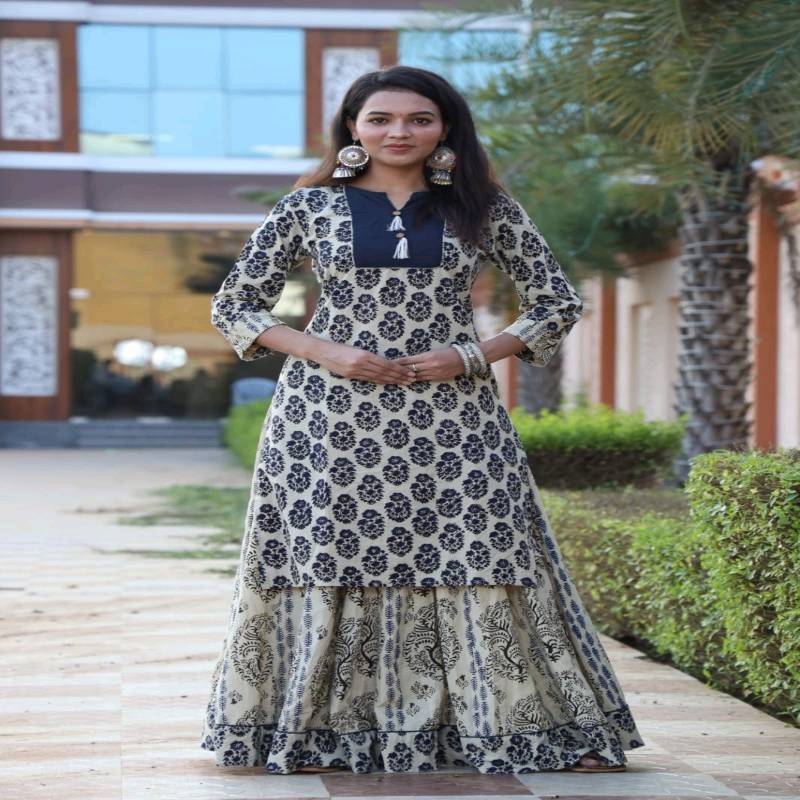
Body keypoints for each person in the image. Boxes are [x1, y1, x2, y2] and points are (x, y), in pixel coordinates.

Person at [200, 65, 645, 775]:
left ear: (445, 128)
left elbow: (555, 302)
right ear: (353, 128)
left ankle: (522, 729)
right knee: (335, 553)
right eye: (380, 119)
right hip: (329, 418)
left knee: (482, 549)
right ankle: (327, 734)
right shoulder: (307, 208)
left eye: (418, 119)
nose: (398, 132)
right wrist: (328, 351)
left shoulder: (484, 208)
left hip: (454, 417)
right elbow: (236, 306)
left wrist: (470, 356)